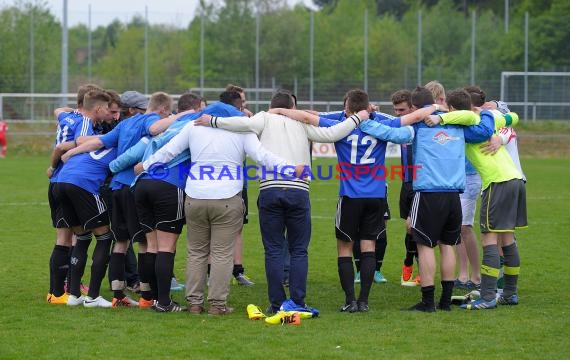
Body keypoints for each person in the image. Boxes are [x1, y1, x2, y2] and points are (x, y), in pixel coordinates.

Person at [196, 89, 370, 315]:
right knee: (299, 250)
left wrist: (212, 120)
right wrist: (358, 117)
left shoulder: (263, 118)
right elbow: (332, 134)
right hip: (298, 191)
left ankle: (276, 303)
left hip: (270, 190)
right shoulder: (300, 123)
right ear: (292, 107)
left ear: (272, 105)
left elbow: (240, 125)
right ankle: (297, 301)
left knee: (273, 250)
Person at [268, 89, 431, 313]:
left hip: (349, 196)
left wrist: (277, 110)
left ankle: (349, 300)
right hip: (375, 196)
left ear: (347, 108)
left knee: (344, 248)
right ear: (368, 106)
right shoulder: (381, 123)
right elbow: (411, 118)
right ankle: (363, 301)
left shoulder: (341, 124)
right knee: (368, 246)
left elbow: (307, 117)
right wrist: (435, 108)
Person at [143, 93, 306, 315]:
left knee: (196, 252)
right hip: (227, 198)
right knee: (221, 253)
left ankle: (194, 303)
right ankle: (217, 305)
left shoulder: (193, 127)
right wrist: (291, 169)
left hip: (196, 196)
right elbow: (263, 156)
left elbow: (168, 150)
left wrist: (146, 165)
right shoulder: (240, 130)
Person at [62, 92, 173, 308]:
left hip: (115, 188)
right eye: (167, 113)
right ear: (162, 110)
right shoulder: (151, 119)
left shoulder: (125, 124)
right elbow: (153, 130)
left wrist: (73, 151)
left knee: (120, 241)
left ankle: (117, 292)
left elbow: (98, 142)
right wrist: (180, 118)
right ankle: (147, 297)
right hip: (133, 187)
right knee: (145, 242)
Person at [425, 91, 524, 310]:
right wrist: (490, 115)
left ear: (453, 109)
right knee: (507, 239)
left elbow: (465, 117)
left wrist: (439, 117)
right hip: (515, 178)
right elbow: (514, 117)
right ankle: (509, 293)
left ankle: (488, 296)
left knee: (488, 239)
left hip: (497, 182)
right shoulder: (485, 118)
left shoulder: (468, 125)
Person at [53, 94, 116, 307]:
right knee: (105, 236)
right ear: (98, 108)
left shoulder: (90, 134)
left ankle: (73, 295)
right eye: (110, 109)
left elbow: (60, 113)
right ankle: (93, 297)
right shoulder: (110, 137)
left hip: (61, 181)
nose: (112, 114)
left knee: (81, 237)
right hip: (82, 184)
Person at [46, 83, 105, 304]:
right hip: (67, 178)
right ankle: (58, 292)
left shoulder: (66, 116)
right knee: (68, 238)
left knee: (69, 237)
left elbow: (58, 110)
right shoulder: (85, 122)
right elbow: (65, 148)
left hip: (58, 183)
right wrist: (53, 166)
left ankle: (69, 287)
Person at [390, 89, 421, 287]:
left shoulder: (421, 126)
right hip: (406, 184)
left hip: (422, 184)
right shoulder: (401, 127)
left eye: (402, 110)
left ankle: (416, 269)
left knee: (418, 228)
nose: (398, 114)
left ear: (412, 107)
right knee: (410, 228)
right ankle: (409, 265)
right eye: (396, 110)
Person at [225, 84, 255, 286]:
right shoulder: (220, 122)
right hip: (219, 182)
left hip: (239, 183)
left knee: (237, 228)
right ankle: (212, 272)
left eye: (244, 101)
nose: (243, 105)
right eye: (241, 102)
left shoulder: (245, 123)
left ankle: (238, 271)